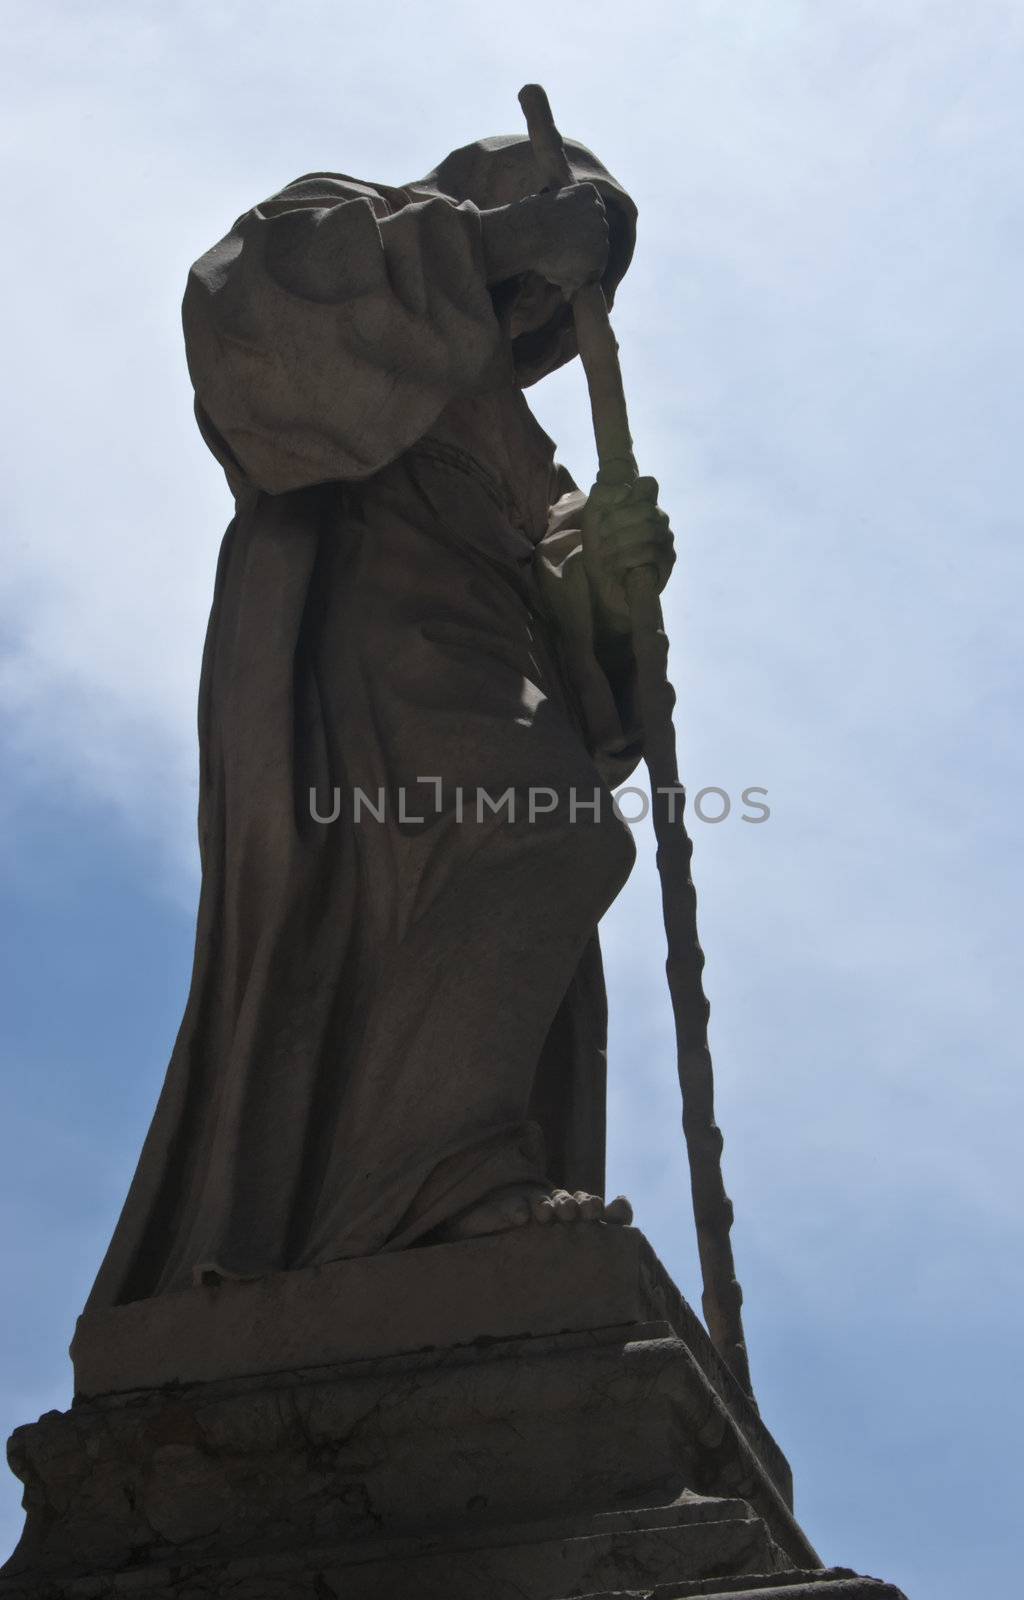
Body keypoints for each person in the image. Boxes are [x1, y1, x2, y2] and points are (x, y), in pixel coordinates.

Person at [85, 133, 675, 1309]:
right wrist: (503, 240)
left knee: (544, 838)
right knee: (553, 830)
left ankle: (412, 1187)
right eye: (555, 251)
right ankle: (429, 1187)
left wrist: (610, 578)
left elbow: (591, 666)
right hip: (362, 622)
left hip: (486, 649)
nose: (547, 297)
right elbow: (253, 322)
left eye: (571, 285)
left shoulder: (531, 449)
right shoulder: (340, 221)